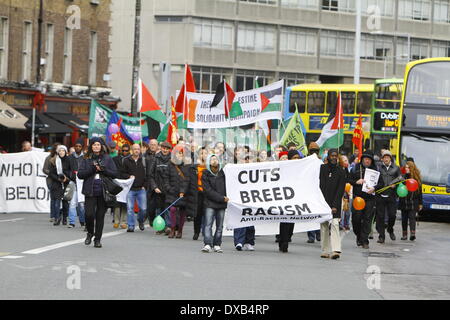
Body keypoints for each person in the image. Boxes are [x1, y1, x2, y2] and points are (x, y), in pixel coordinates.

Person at [78, 137, 118, 248]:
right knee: (89, 214)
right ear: (91, 146)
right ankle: (90, 232)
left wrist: (103, 169)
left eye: (98, 145)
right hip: (90, 190)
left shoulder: (107, 158)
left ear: (101, 146)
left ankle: (97, 239)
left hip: (103, 190)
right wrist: (93, 169)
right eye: (94, 145)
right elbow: (80, 175)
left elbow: (115, 173)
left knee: (100, 216)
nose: (96, 146)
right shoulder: (86, 158)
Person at [349, 150, 383, 249]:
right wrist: (356, 182)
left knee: (367, 219)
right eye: (365, 159)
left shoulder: (376, 170)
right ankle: (359, 236)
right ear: (362, 159)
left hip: (370, 199)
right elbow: (348, 179)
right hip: (358, 198)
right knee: (356, 219)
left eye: (369, 159)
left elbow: (381, 183)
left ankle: (365, 241)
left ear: (371, 161)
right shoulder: (355, 168)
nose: (367, 161)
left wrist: (374, 188)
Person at [319, 149, 346, 259]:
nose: (334, 157)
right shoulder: (323, 169)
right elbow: (320, 186)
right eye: (332, 155)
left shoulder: (341, 171)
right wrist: (321, 203)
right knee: (324, 226)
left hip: (335, 202)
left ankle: (336, 250)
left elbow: (340, 190)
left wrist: (335, 205)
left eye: (336, 156)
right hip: (324, 202)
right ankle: (325, 250)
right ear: (328, 157)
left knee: (334, 224)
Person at [201, 154, 228, 253]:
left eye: (216, 159)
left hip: (221, 204)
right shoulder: (205, 173)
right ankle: (207, 244)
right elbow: (208, 191)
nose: (214, 161)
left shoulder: (223, 173)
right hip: (210, 203)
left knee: (219, 226)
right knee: (208, 225)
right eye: (212, 159)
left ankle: (217, 244)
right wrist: (221, 198)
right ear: (208, 162)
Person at [278, 149, 304, 252]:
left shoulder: (302, 169)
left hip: (295, 198)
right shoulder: (284, 169)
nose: (296, 159)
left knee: (292, 220)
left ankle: (287, 237)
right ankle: (283, 241)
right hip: (284, 198)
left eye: (298, 158)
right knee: (284, 219)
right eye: (294, 158)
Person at [163, 145, 190, 239]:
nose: (179, 156)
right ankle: (173, 229)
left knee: (182, 212)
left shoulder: (186, 166)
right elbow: (166, 178)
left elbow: (187, 180)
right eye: (178, 154)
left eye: (181, 154)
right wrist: (169, 188)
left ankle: (180, 230)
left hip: (182, 193)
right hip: (172, 192)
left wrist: (183, 191)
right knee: (173, 210)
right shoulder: (170, 165)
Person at [375, 150, 402, 243]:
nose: (386, 159)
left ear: (390, 158)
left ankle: (390, 229)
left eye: (388, 157)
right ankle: (381, 236)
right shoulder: (378, 167)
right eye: (384, 157)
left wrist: (396, 185)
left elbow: (401, 179)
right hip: (380, 195)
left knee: (392, 215)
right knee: (380, 217)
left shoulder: (396, 168)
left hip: (391, 195)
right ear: (382, 159)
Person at [122, 143, 148, 232]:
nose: (136, 150)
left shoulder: (144, 160)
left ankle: (140, 221)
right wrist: (128, 176)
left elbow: (148, 175)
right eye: (134, 149)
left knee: (143, 209)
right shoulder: (126, 160)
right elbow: (122, 173)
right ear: (131, 150)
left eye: (138, 149)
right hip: (130, 189)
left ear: (140, 150)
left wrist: (145, 186)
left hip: (141, 188)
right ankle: (131, 226)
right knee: (130, 208)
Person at [148, 141, 172, 233]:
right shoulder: (155, 158)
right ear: (161, 148)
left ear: (169, 150)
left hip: (168, 188)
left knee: (168, 208)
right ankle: (159, 227)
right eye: (163, 148)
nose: (165, 150)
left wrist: (171, 187)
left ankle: (168, 227)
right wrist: (155, 187)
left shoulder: (172, 159)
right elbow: (151, 175)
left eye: (167, 148)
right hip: (158, 188)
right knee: (158, 209)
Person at [48, 145, 72, 226]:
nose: (61, 152)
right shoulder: (54, 160)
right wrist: (58, 178)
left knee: (65, 202)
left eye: (63, 151)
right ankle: (57, 218)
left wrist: (66, 178)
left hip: (66, 183)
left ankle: (64, 218)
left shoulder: (69, 160)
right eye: (60, 151)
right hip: (57, 183)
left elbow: (71, 171)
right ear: (58, 152)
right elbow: (51, 173)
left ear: (66, 152)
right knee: (57, 202)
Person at [399, 161, 423, 241]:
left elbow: (420, 192)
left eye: (408, 167)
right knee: (404, 218)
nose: (406, 169)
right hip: (404, 201)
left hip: (414, 201)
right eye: (405, 167)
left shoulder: (416, 178)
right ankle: (404, 235)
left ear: (412, 168)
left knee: (412, 217)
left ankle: (413, 234)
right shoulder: (403, 177)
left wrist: (420, 203)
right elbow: (399, 187)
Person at [188, 147, 208, 241]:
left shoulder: (211, 167)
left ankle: (206, 232)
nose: (203, 155)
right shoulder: (194, 167)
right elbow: (189, 180)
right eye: (201, 153)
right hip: (197, 193)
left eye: (205, 153)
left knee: (208, 213)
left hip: (208, 193)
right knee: (197, 214)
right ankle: (196, 232)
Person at [68, 139, 86, 229]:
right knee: (72, 203)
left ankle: (82, 221)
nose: (78, 148)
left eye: (79, 146)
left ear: (82, 147)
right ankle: (71, 222)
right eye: (76, 146)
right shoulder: (70, 157)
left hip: (82, 183)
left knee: (81, 204)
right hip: (73, 182)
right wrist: (71, 175)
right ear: (74, 147)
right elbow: (67, 169)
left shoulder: (86, 157)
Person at [112, 144, 131, 229]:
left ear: (129, 151)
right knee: (116, 202)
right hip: (117, 182)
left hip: (127, 183)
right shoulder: (115, 159)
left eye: (126, 150)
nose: (124, 152)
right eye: (123, 150)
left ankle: (123, 221)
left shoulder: (131, 160)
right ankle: (116, 221)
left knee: (124, 202)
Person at [306, 141, 321, 243]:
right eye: (312, 151)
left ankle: (319, 233)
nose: (314, 153)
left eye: (315, 151)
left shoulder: (321, 163)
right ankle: (311, 236)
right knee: (309, 214)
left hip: (318, 191)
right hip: (308, 191)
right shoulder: (305, 162)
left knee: (318, 213)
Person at [43, 143, 61, 222]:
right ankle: (53, 216)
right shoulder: (48, 158)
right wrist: (51, 173)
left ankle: (59, 215)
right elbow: (44, 169)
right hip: (51, 181)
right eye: (57, 148)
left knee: (59, 199)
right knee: (53, 199)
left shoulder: (62, 158)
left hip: (60, 181)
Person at [339, 155, 352, 231]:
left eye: (347, 160)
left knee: (347, 209)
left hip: (347, 192)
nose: (347, 162)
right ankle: (340, 223)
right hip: (341, 191)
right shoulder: (339, 170)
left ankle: (346, 223)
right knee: (341, 209)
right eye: (345, 161)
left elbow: (349, 180)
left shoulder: (347, 170)